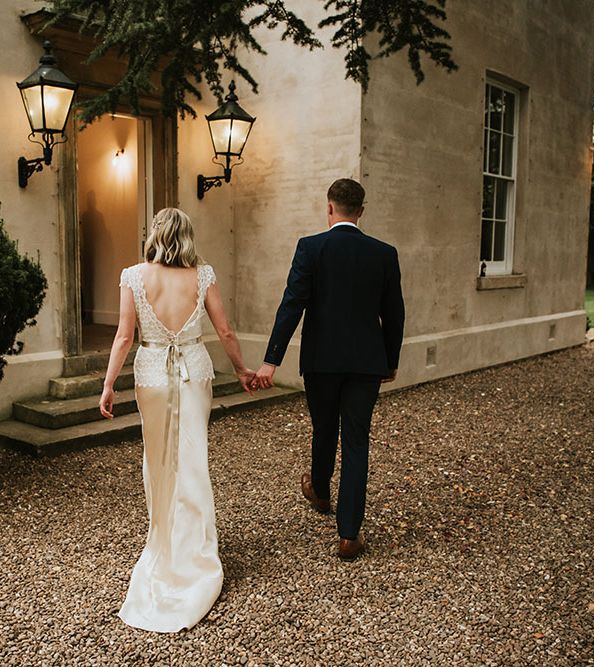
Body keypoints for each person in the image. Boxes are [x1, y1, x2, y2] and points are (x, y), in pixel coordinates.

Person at [100, 207, 257, 632]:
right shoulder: (202, 274)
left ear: (154, 234)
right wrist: (242, 369)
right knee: (192, 456)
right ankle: (193, 552)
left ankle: (166, 543)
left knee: (158, 461)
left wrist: (109, 383)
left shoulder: (133, 275)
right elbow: (224, 331)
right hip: (194, 368)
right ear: (186, 235)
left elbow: (124, 336)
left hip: (151, 370)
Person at [255, 178, 405, 561]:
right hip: (366, 364)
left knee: (324, 428)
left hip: (321, 362)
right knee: (356, 441)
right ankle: (349, 534)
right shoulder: (383, 253)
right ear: (361, 211)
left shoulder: (311, 248)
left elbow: (292, 305)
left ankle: (320, 492)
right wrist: (389, 362)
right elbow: (394, 314)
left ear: (329, 208)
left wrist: (271, 359)